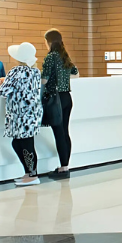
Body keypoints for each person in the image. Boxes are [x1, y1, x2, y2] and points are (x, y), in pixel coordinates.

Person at [0, 42, 43, 186]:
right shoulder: (35, 71)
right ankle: (29, 173)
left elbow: (3, 92)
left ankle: (33, 175)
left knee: (23, 143)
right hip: (32, 113)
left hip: (20, 115)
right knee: (25, 143)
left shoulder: (16, 71)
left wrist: (5, 81)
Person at [42, 29, 79, 179]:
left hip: (54, 99)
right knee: (65, 132)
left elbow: (44, 80)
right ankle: (65, 166)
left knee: (58, 134)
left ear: (49, 41)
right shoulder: (64, 56)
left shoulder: (50, 57)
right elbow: (76, 74)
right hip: (67, 98)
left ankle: (63, 169)